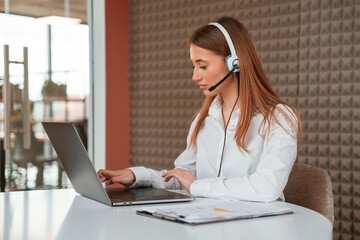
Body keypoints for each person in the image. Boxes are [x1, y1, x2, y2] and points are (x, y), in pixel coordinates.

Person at [97, 16, 302, 202]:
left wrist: (197, 186)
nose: (195, 76)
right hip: (209, 222)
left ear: (234, 63)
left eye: (202, 66)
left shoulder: (278, 118)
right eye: (193, 66)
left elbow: (266, 188)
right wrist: (136, 176)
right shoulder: (204, 120)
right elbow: (182, 178)